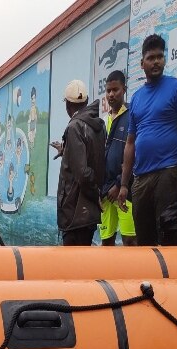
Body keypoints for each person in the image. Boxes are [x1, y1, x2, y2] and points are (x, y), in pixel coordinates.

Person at [117, 34, 177, 246]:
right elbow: (130, 143)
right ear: (142, 63)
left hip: (167, 174)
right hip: (141, 180)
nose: (156, 61)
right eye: (151, 57)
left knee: (168, 240)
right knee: (144, 243)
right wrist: (124, 185)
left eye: (160, 57)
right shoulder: (136, 98)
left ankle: (171, 281)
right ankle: (149, 280)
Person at [50, 79, 106, 246]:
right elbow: (93, 157)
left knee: (72, 268)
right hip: (87, 214)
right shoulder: (99, 126)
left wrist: (94, 194)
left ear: (68, 105)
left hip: (75, 212)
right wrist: (66, 151)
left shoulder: (74, 127)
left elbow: (82, 173)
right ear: (87, 101)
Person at [100, 70, 137, 246]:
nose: (111, 94)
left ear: (124, 89)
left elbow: (134, 155)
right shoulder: (103, 122)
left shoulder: (131, 116)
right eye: (108, 91)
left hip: (123, 190)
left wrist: (118, 184)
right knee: (106, 241)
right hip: (105, 194)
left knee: (130, 240)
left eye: (115, 90)